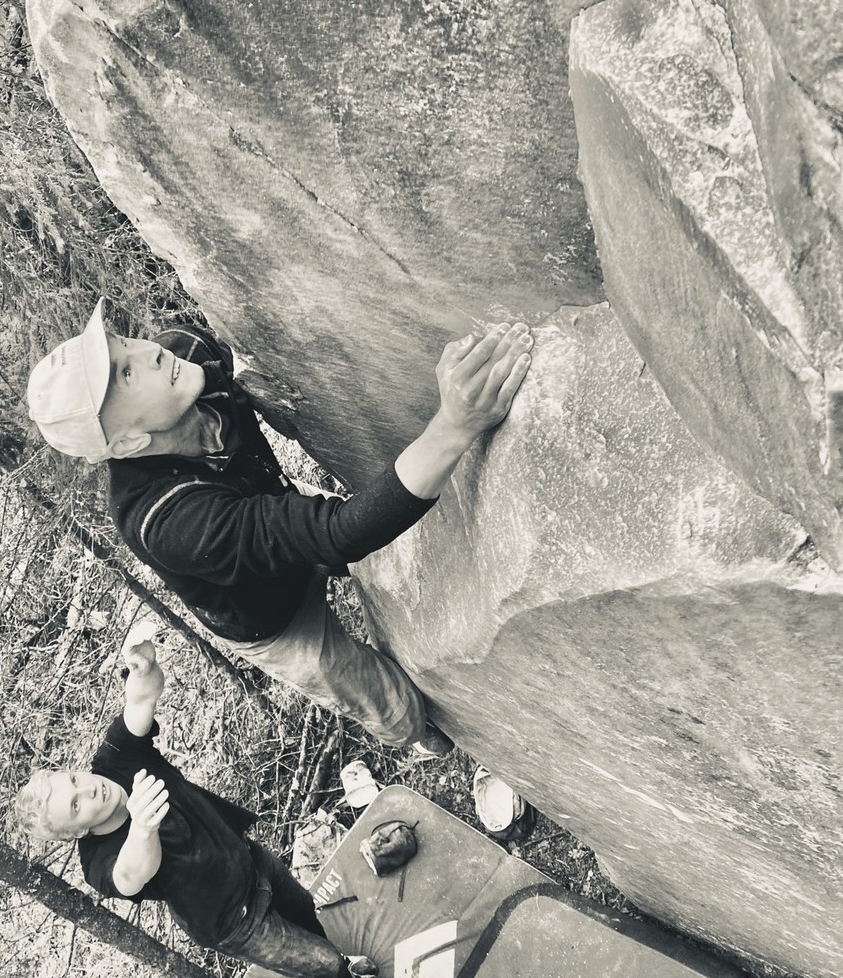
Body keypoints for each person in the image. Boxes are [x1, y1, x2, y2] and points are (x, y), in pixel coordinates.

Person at [26, 303, 532, 756]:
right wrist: (455, 425)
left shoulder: (187, 355)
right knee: (385, 701)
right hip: (272, 618)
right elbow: (339, 532)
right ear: (128, 443)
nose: (149, 351)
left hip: (276, 516)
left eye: (125, 343)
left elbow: (324, 530)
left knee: (384, 544)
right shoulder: (165, 520)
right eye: (127, 373)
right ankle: (422, 737)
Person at [14, 634, 392, 978]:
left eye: (74, 780)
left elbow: (141, 699)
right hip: (233, 921)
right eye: (75, 806)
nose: (88, 789)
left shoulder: (115, 758)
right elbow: (129, 877)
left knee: (306, 912)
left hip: (249, 860)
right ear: (78, 831)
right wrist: (143, 827)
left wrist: (144, 666)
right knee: (321, 963)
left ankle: (338, 961)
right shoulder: (96, 861)